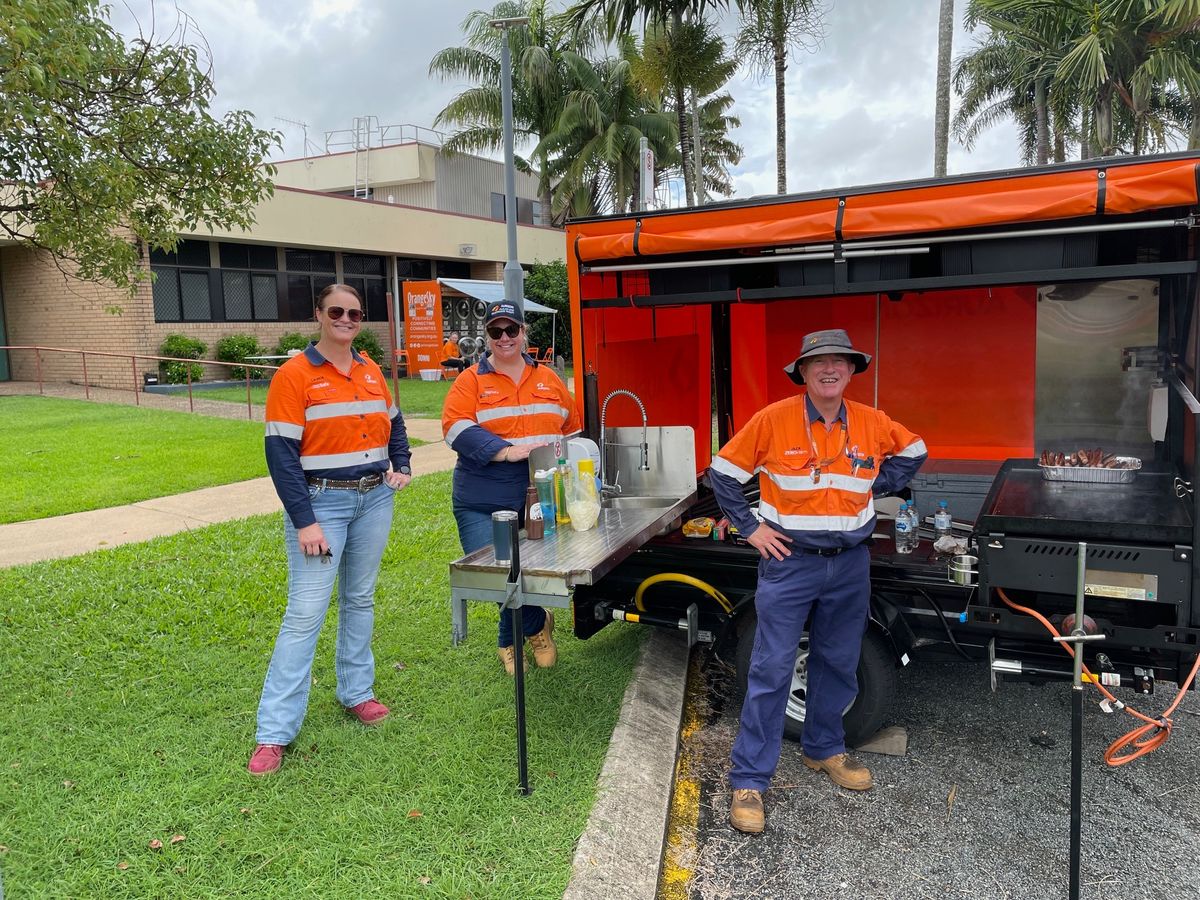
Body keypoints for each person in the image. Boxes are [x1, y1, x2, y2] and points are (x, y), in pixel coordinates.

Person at [708, 328, 926, 833]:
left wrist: (879, 483)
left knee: (839, 661)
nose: (829, 369)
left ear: (851, 372)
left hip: (849, 563)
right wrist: (751, 528)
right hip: (790, 562)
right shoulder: (773, 419)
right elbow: (722, 471)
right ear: (802, 372)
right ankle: (749, 779)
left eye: (839, 362)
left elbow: (914, 450)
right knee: (771, 668)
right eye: (818, 362)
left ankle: (824, 749)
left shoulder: (872, 423)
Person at [248, 284, 413, 776]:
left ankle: (356, 693)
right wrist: (305, 521)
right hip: (323, 505)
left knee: (359, 598)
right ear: (318, 314)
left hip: (374, 499)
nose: (346, 318)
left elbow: (396, 424)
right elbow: (280, 454)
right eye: (336, 311)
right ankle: (274, 733)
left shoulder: (370, 370)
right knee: (305, 613)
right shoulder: (294, 375)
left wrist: (400, 462)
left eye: (354, 312)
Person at [442, 300, 581, 675]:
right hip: (483, 497)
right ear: (486, 337)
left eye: (511, 330)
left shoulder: (550, 379)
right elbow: (454, 429)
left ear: (523, 332)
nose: (504, 338)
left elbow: (572, 427)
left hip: (541, 496)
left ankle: (508, 640)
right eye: (495, 331)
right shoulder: (470, 380)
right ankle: (538, 625)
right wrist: (505, 451)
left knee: (530, 573)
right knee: (497, 574)